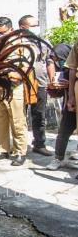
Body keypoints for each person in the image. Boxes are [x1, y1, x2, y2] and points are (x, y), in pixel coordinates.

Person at [0, 17, 29, 166]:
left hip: (14, 87)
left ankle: (20, 152)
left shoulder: (21, 44)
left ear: (11, 30)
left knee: (18, 120)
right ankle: (2, 149)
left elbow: (25, 67)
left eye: (2, 33)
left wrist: (12, 77)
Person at [18, 15, 55, 156]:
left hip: (40, 83)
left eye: (36, 25)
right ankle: (19, 147)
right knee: (19, 116)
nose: (36, 28)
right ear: (23, 27)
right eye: (33, 25)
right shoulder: (17, 42)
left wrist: (51, 80)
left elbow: (49, 61)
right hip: (21, 84)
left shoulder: (43, 41)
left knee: (39, 114)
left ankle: (39, 144)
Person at [47, 44, 78, 173]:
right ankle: (58, 158)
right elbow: (71, 71)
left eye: (58, 58)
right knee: (64, 130)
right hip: (71, 102)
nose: (57, 61)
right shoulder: (66, 68)